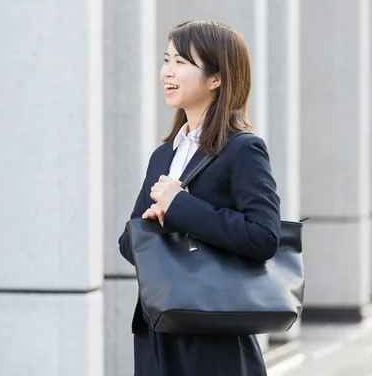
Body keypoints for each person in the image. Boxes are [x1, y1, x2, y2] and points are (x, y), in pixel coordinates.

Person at [117, 20, 282, 376]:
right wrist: (153, 223)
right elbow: (128, 244)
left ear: (216, 78)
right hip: (157, 329)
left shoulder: (243, 149)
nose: (167, 72)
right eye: (166, 60)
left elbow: (264, 237)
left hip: (213, 331)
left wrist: (181, 207)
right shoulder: (164, 155)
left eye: (181, 62)